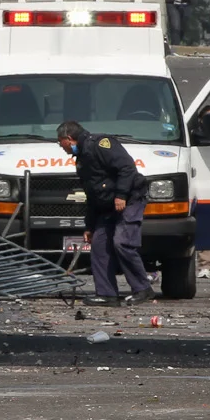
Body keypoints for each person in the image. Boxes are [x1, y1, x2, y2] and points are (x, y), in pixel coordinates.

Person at [57, 121, 153, 305]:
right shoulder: (83, 159)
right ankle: (106, 294)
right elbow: (93, 195)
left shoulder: (101, 144)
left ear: (68, 138)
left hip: (129, 200)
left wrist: (121, 195)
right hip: (106, 207)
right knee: (99, 245)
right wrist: (90, 226)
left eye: (60, 142)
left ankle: (143, 289)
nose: (61, 147)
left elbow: (127, 168)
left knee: (122, 242)